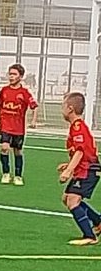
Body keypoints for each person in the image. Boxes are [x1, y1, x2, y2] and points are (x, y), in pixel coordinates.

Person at [58, 92, 101, 246]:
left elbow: (80, 151)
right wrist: (68, 164)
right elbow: (81, 151)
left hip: (88, 170)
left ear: (70, 109)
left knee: (72, 201)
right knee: (66, 198)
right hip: (85, 168)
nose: (61, 109)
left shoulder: (77, 126)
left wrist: (68, 171)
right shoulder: (75, 127)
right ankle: (98, 221)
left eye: (63, 106)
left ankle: (89, 236)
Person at [0, 64, 38, 186]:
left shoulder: (24, 93)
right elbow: (0, 105)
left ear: (21, 77)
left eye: (14, 74)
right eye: (10, 74)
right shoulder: (4, 90)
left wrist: (33, 121)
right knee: (4, 148)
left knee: (17, 152)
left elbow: (35, 106)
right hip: (5, 125)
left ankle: (18, 176)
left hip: (18, 128)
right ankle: (6, 173)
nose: (11, 76)